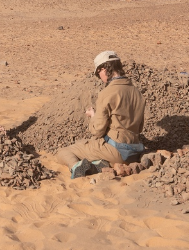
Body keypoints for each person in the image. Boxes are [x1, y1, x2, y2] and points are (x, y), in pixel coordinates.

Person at [56, 51, 146, 179]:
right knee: (86, 144)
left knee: (64, 152)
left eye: (98, 73)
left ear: (104, 69)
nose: (100, 77)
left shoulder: (108, 93)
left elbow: (97, 131)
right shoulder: (137, 92)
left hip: (115, 151)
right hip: (135, 152)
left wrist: (93, 116)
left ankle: (77, 168)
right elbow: (140, 127)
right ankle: (100, 165)